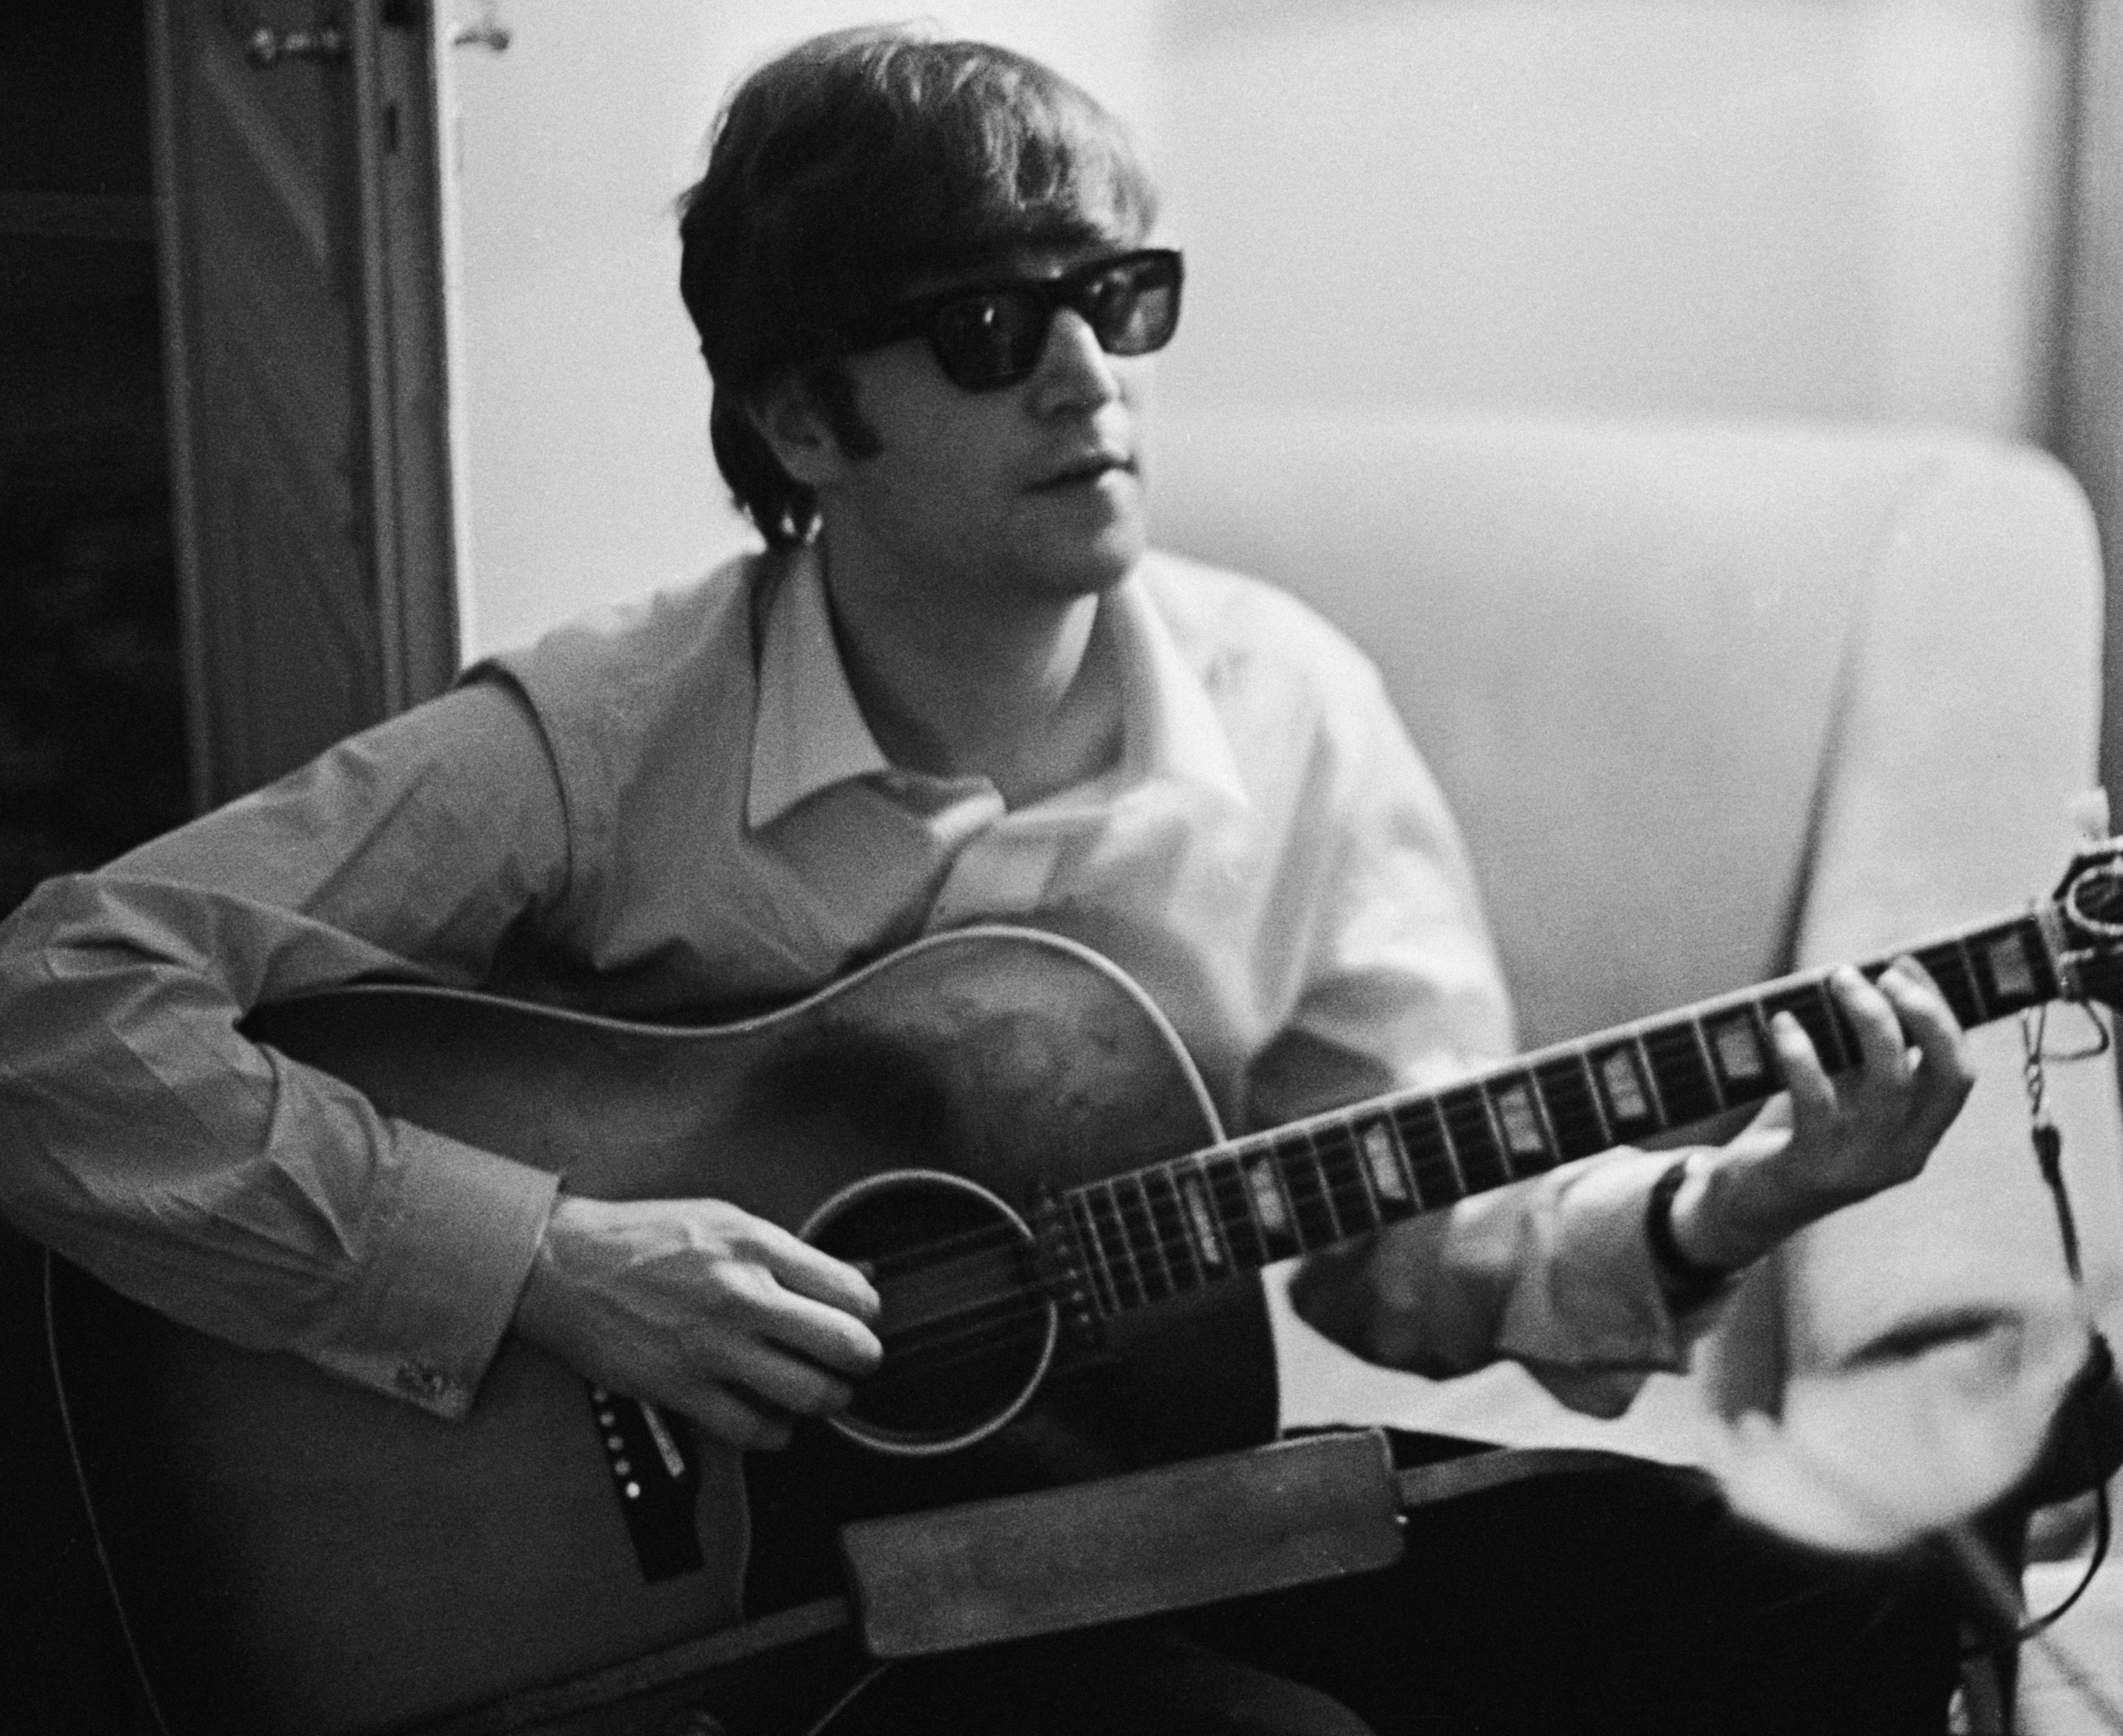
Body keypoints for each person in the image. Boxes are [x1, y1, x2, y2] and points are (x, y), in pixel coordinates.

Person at [0, 25, 1983, 1733]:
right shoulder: (601, 739)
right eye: (982, 326)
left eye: (1116, 298)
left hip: (1147, 1518)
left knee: (1859, 1585)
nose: (1083, 377)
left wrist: (1742, 1198)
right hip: (785, 1615)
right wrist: (553, 1262)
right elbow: (56, 1009)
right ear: (802, 416)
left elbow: (1412, 1244)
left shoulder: (1284, 706)